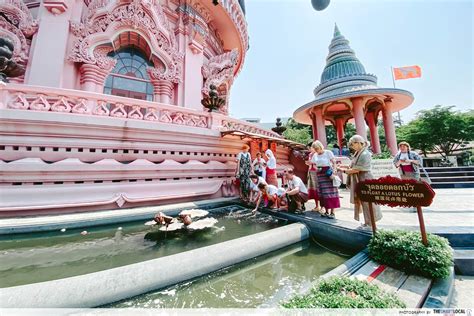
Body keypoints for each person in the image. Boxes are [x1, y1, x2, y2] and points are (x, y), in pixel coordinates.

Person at [339, 135, 382, 228]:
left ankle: (371, 223)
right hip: (360, 179)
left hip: (365, 179)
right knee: (364, 202)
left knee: (368, 202)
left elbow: (357, 169)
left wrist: (343, 170)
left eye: (352, 144)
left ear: (359, 143)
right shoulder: (358, 153)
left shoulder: (365, 154)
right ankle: (368, 222)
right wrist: (342, 167)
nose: (351, 146)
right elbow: (353, 166)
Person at [311, 140, 341, 218]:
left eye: (317, 148)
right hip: (320, 174)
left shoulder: (328, 152)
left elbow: (334, 162)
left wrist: (334, 171)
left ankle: (332, 212)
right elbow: (313, 164)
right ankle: (326, 211)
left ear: (320, 147)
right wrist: (316, 168)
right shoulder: (315, 155)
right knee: (322, 193)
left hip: (328, 173)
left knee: (331, 192)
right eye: (315, 149)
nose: (317, 150)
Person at [305, 144, 321, 212]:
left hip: (316, 172)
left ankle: (321, 206)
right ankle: (317, 205)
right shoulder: (310, 154)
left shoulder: (318, 154)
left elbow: (318, 163)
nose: (310, 149)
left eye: (311, 147)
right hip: (311, 171)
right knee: (313, 189)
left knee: (318, 189)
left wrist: (311, 163)